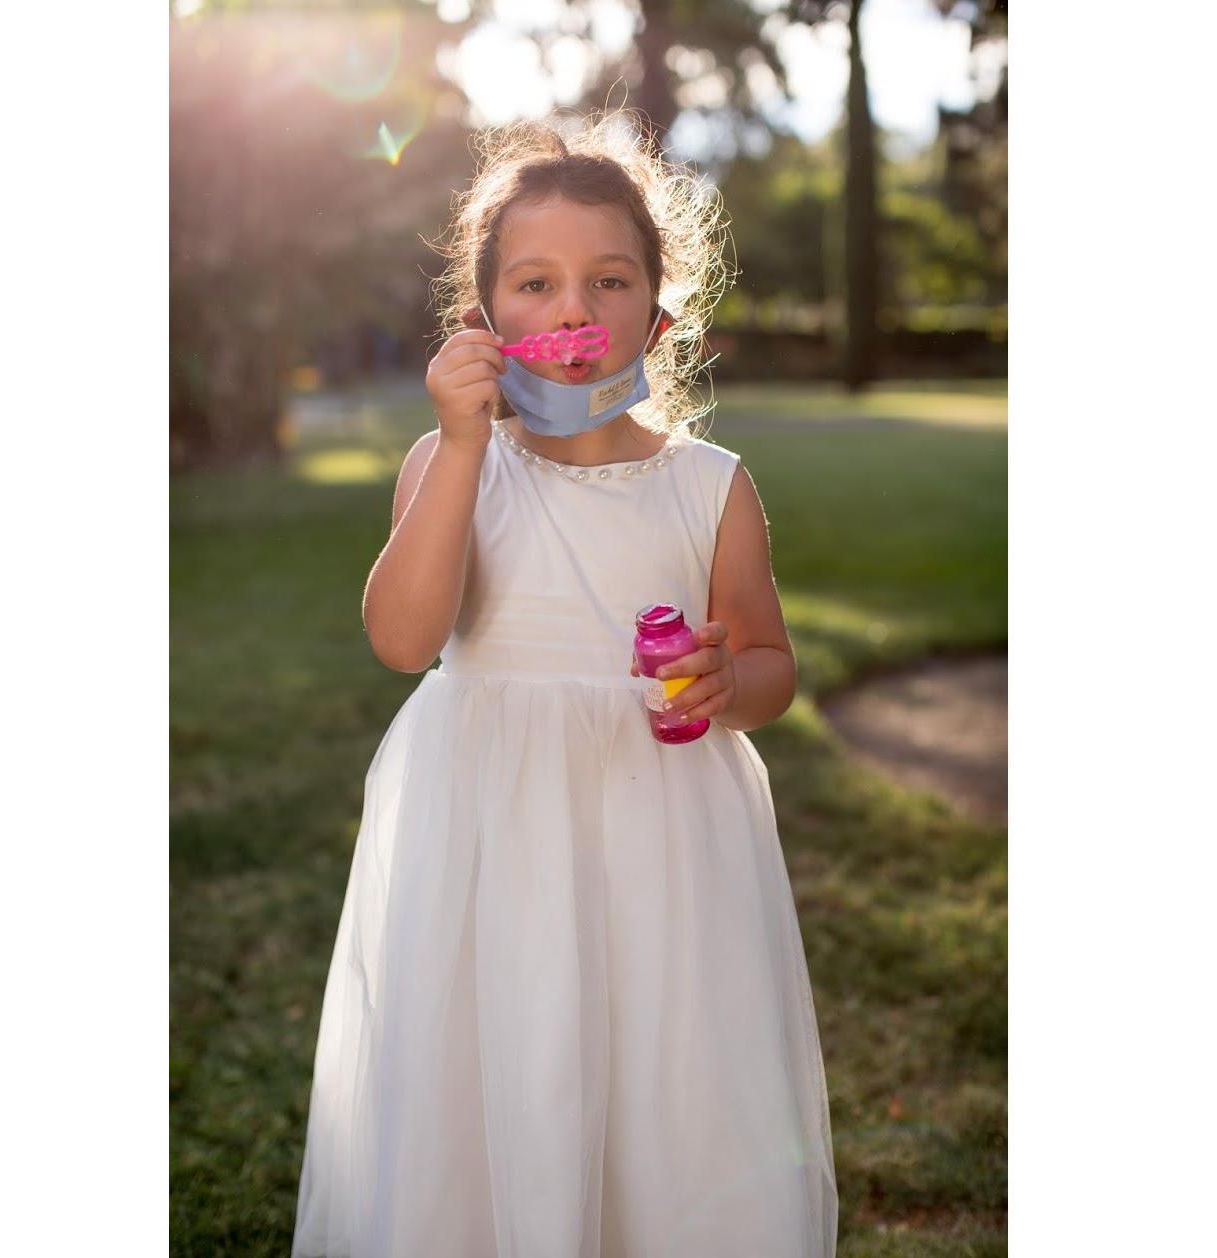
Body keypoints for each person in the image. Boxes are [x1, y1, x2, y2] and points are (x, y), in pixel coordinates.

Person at [290, 111, 838, 1258]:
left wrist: (723, 676)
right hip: (488, 830)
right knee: (497, 1069)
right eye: (534, 283)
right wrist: (456, 445)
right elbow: (402, 638)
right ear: (484, 321)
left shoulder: (707, 486)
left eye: (608, 279)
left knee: (659, 1076)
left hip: (662, 840)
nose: (574, 309)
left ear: (659, 310)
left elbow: (772, 666)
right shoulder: (451, 468)